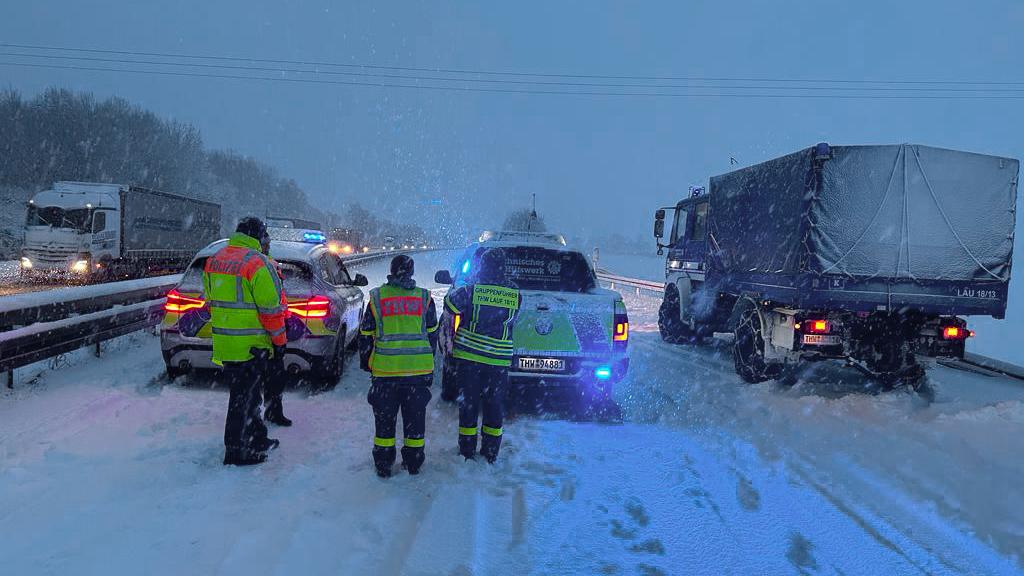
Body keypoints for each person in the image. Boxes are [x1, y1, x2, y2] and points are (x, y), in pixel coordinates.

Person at [203, 217, 288, 466]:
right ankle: (235, 449)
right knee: (242, 398)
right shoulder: (257, 263)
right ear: (258, 237)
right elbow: (271, 310)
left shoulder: (214, 260)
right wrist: (279, 342)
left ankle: (257, 436)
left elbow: (211, 300)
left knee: (248, 395)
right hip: (251, 345)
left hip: (225, 343)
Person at [359, 255, 439, 478]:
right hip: (418, 372)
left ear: (392, 271)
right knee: (415, 420)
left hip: (386, 372)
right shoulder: (424, 298)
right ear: (411, 273)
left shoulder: (377, 297)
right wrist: (426, 360)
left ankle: (384, 464)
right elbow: (432, 334)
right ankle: (413, 462)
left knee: (384, 422)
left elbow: (365, 335)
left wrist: (367, 363)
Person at [444, 248, 521, 463]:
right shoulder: (515, 293)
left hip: (470, 358)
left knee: (469, 405)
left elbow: (449, 305)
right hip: (499, 360)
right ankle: (490, 451)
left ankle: (467, 450)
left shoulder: (471, 290)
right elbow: (512, 319)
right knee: (494, 405)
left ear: (483, 267)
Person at [261, 238, 293, 428]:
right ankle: (271, 413)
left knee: (273, 377)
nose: (269, 243)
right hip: (267, 333)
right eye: (266, 240)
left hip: (265, 331)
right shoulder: (261, 266)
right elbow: (270, 308)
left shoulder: (269, 264)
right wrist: (279, 339)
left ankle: (273, 412)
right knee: (272, 377)